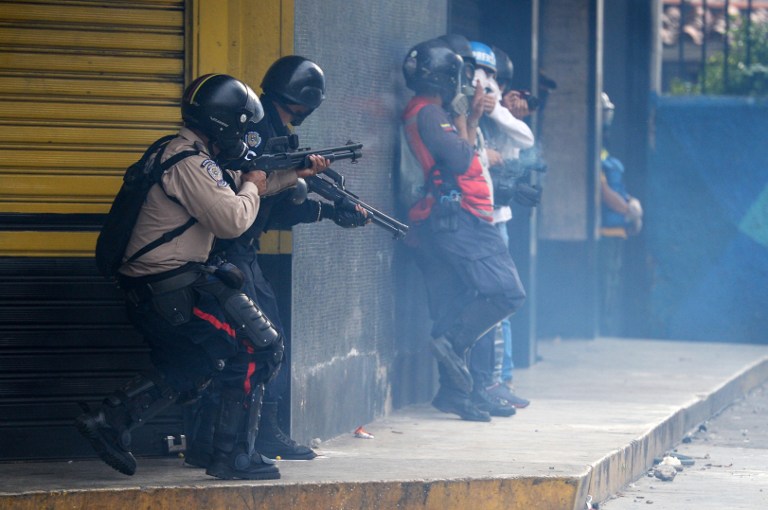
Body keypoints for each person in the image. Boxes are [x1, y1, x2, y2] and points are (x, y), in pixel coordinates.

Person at [75, 73, 299, 480]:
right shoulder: (191, 162)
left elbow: (237, 186)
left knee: (195, 362)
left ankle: (111, 420)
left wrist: (297, 174)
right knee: (258, 347)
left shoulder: (177, 153)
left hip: (159, 288)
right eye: (242, 126)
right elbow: (233, 218)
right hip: (170, 287)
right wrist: (253, 184)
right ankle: (233, 456)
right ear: (225, 124)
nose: (244, 135)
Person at [183, 56, 369, 467]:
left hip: (232, 249)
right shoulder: (261, 135)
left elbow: (273, 206)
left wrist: (323, 204)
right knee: (268, 343)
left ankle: (205, 443)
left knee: (236, 349)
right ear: (308, 101)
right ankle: (261, 434)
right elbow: (255, 194)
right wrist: (305, 186)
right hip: (231, 250)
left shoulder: (261, 129)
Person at [400, 39, 527, 422]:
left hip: (450, 218)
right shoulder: (428, 112)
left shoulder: (432, 111)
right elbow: (458, 157)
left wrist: (467, 121)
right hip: (458, 219)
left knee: (454, 301)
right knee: (507, 292)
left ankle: (456, 393)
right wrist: (461, 124)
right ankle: (453, 344)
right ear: (446, 77)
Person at [471, 43, 535, 410]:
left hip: (497, 219)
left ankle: (501, 379)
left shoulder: (500, 116)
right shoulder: (460, 107)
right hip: (475, 218)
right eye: (484, 76)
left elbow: (525, 139)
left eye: (495, 79)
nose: (489, 84)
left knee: (505, 301)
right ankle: (487, 381)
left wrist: (499, 112)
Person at [599, 92, 643, 336]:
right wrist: (629, 211)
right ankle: (606, 330)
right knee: (606, 284)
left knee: (613, 284)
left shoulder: (605, 151)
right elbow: (602, 191)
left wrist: (631, 204)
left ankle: (610, 329)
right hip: (604, 229)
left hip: (617, 229)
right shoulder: (594, 152)